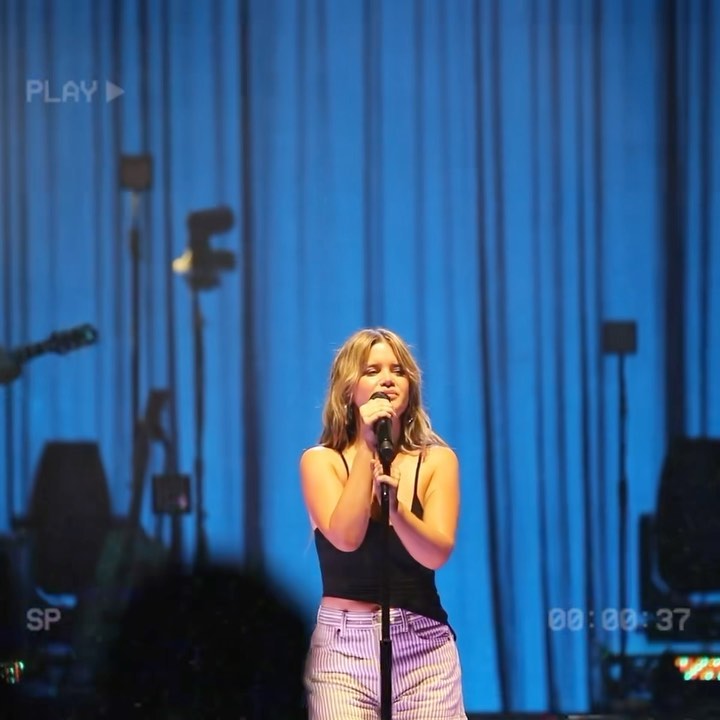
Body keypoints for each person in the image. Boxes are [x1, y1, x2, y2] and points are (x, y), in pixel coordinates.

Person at [301, 327, 467, 719]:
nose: (388, 379)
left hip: (423, 648)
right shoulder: (321, 461)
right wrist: (367, 446)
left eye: (398, 371)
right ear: (348, 388)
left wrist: (397, 511)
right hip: (342, 649)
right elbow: (345, 537)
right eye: (372, 371)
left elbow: (436, 553)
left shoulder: (436, 461)